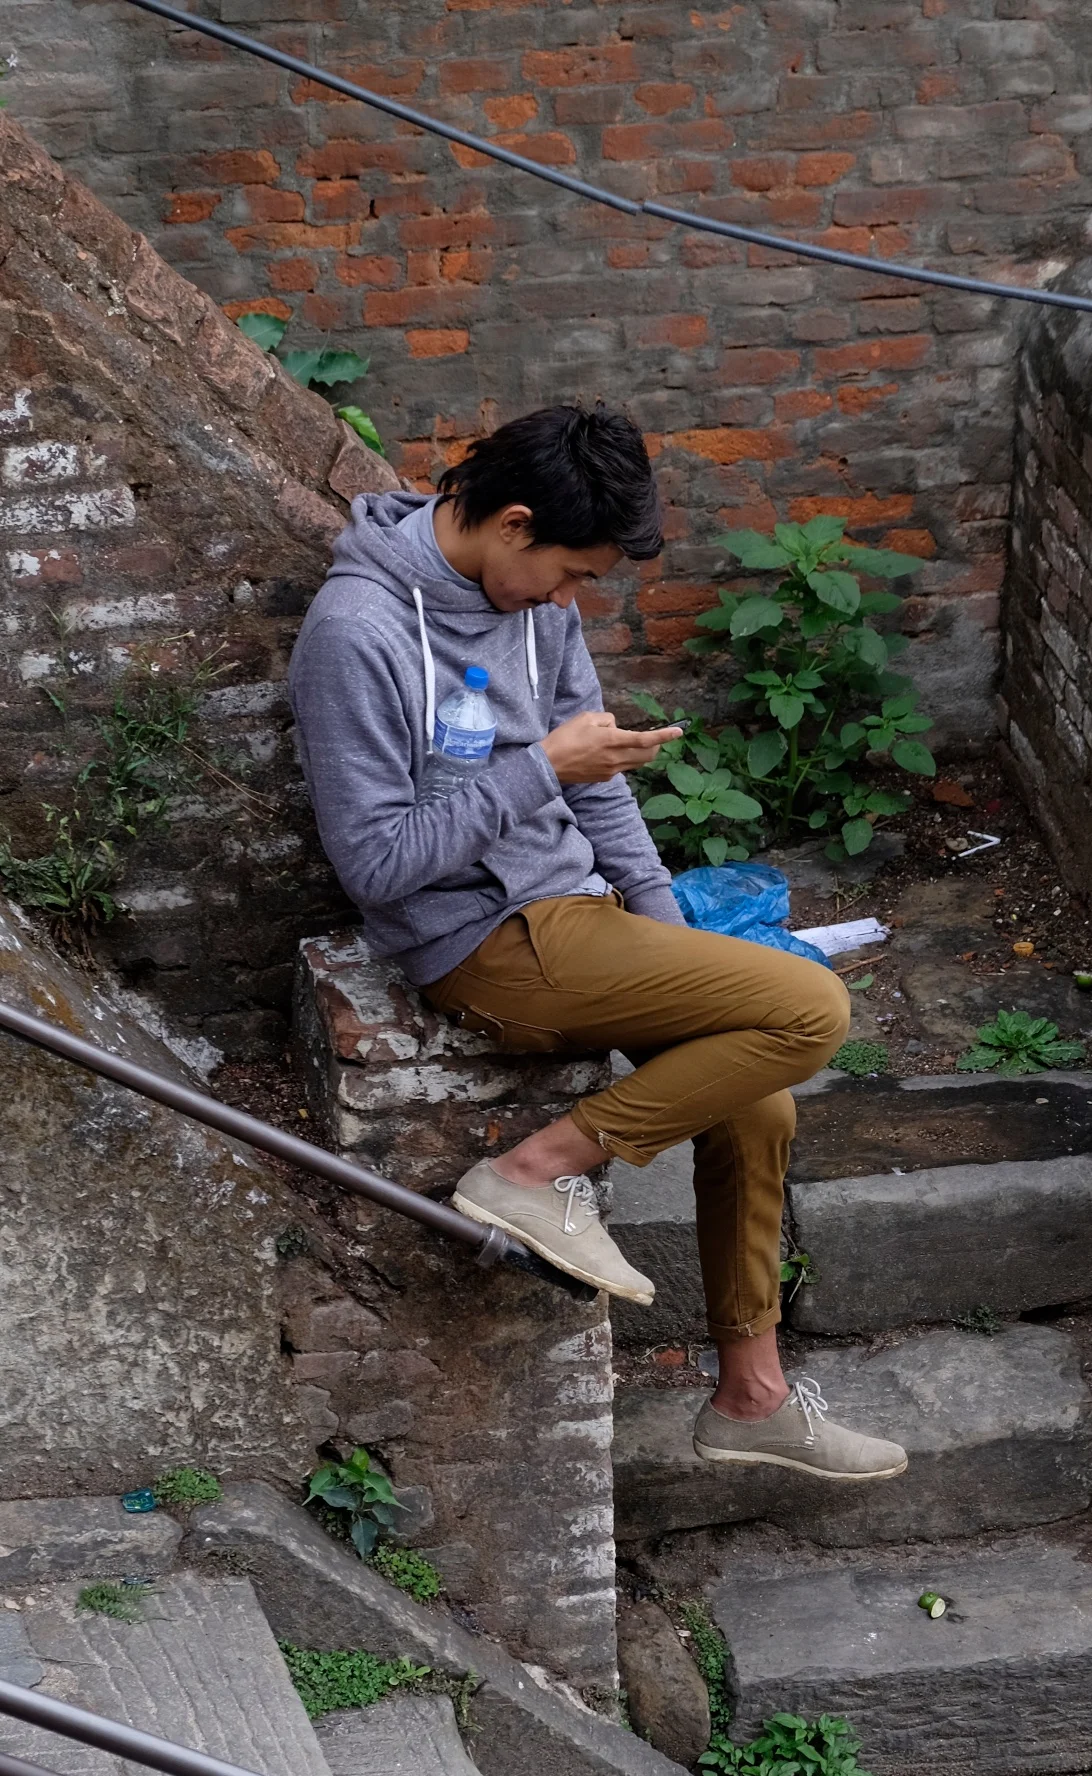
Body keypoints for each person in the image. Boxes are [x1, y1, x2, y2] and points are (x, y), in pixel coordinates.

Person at [287, 401, 907, 1485]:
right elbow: (376, 866)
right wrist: (543, 771)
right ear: (513, 523)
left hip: (581, 917)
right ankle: (536, 1172)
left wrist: (668, 938)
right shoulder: (359, 635)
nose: (574, 603)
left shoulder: (531, 606)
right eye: (571, 575)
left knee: (756, 1096)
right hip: (481, 942)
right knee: (813, 1009)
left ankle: (752, 1398)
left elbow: (599, 775)